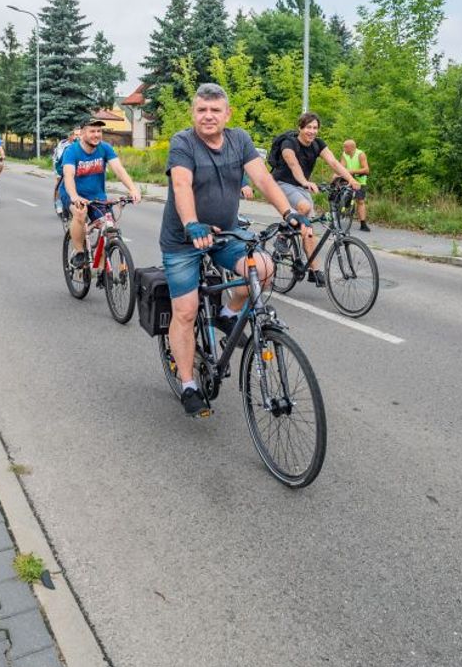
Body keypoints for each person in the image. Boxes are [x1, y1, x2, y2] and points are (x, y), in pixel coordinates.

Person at [161, 83, 301, 419]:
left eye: (215, 110)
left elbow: (263, 180)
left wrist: (288, 212)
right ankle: (189, 384)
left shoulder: (240, 140)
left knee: (264, 269)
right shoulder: (183, 143)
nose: (208, 116)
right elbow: (181, 184)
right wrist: (192, 223)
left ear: (227, 114)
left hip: (225, 233)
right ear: (193, 113)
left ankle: (227, 313)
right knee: (186, 311)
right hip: (184, 239)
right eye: (201, 110)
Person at [269, 113, 360, 286]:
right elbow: (293, 164)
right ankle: (282, 237)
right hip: (281, 184)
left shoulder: (318, 144)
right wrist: (305, 182)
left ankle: (314, 271)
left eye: (315, 128)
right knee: (304, 207)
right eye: (308, 127)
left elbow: (334, 163)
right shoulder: (289, 143)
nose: (312, 131)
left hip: (301, 187)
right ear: (300, 128)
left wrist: (351, 179)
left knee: (308, 230)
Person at [61, 118, 142, 269]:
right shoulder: (72, 151)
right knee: (80, 212)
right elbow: (68, 175)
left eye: (99, 131)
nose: (96, 134)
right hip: (73, 193)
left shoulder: (105, 148)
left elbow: (119, 169)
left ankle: (103, 272)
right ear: (83, 133)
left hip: (97, 196)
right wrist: (74, 196)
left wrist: (132, 189)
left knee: (109, 231)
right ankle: (79, 252)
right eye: (92, 131)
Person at [341, 138, 372, 232]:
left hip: (359, 181)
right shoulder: (344, 154)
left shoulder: (360, 154)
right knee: (340, 196)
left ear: (351, 147)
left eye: (345, 147)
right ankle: (338, 215)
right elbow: (341, 167)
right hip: (348, 180)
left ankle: (363, 224)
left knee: (360, 201)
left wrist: (352, 171)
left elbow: (366, 169)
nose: (343, 149)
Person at [51, 126, 82, 214]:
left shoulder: (82, 144)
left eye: (80, 135)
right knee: (60, 182)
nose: (78, 137)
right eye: (76, 135)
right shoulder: (63, 145)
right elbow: (61, 159)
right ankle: (58, 202)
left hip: (74, 166)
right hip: (59, 164)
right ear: (71, 136)